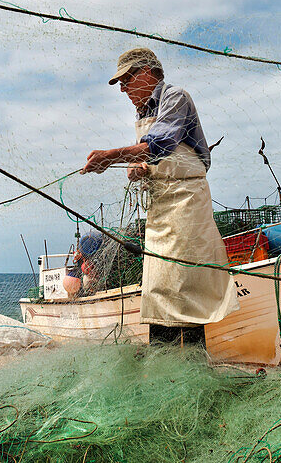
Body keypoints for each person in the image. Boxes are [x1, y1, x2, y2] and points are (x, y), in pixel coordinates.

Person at [82, 47, 238, 346]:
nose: (124, 89)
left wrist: (113, 156)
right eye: (121, 84)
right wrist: (140, 169)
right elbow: (153, 156)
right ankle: (163, 360)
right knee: (157, 286)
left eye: (127, 80)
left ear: (147, 72)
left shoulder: (175, 97)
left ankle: (191, 360)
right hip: (160, 206)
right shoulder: (142, 112)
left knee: (186, 284)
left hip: (186, 201)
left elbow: (163, 143)